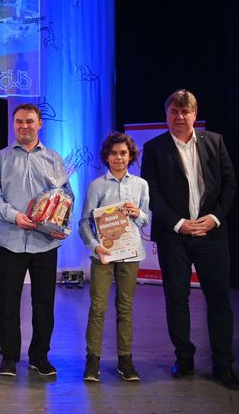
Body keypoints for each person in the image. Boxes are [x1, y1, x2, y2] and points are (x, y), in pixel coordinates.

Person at [141, 89, 239, 390]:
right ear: (167, 115)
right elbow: (151, 192)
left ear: (195, 115)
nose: (180, 117)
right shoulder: (154, 148)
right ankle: (183, 358)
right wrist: (179, 223)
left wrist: (215, 218)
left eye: (185, 112)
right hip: (174, 236)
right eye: (174, 111)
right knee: (176, 299)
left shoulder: (215, 142)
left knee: (219, 299)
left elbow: (230, 184)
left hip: (212, 234)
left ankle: (223, 364)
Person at [0, 103, 72, 377]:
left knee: (44, 303)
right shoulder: (0, 158)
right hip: (11, 239)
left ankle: (39, 357)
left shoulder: (54, 159)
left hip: (45, 242)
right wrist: (15, 216)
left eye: (29, 121)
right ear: (14, 124)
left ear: (40, 124)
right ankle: (9, 357)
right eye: (19, 121)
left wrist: (60, 223)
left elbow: (65, 196)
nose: (24, 126)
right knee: (8, 303)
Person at [78, 132, 150, 382]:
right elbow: (84, 223)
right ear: (106, 157)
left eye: (123, 153)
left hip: (130, 253)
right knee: (98, 307)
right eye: (113, 153)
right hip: (104, 254)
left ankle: (125, 360)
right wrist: (95, 246)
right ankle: (93, 359)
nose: (118, 158)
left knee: (125, 307)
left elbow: (146, 219)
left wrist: (138, 213)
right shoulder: (96, 185)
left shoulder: (140, 185)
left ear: (130, 156)